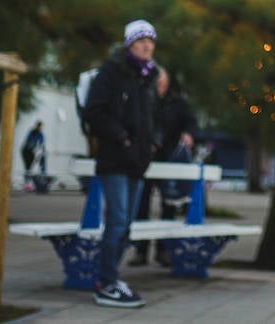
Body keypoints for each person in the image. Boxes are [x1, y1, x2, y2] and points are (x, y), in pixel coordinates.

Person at [82, 19, 160, 309]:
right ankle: (106, 282)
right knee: (116, 222)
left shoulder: (148, 78)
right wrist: (122, 137)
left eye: (150, 41)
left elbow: (153, 116)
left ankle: (110, 278)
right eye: (140, 41)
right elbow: (94, 111)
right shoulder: (112, 72)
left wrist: (153, 142)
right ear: (129, 44)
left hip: (137, 162)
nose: (146, 46)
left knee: (126, 225)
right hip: (115, 159)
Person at [130, 66, 200, 267]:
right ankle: (140, 251)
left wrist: (188, 134)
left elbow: (191, 122)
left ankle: (164, 250)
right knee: (141, 205)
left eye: (161, 83)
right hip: (144, 159)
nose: (158, 86)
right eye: (156, 83)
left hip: (169, 160)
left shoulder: (178, 103)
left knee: (169, 204)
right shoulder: (143, 99)